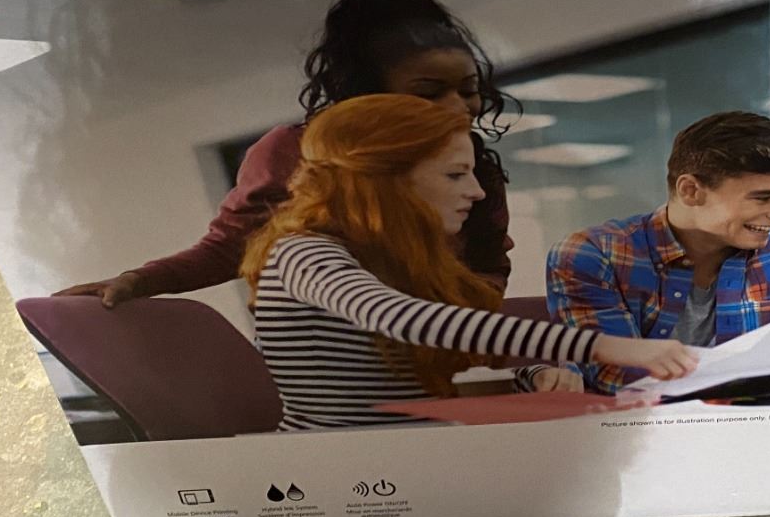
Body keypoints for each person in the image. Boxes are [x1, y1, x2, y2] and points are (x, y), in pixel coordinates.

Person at [244, 95, 696, 429]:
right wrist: (604, 346)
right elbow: (400, 319)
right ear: (383, 182)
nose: (477, 192)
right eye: (455, 174)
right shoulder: (302, 253)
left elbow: (427, 388)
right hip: (339, 475)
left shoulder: (394, 266)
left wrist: (530, 377)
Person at [57, 0, 515, 306]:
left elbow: (489, 267)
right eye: (428, 92)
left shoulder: (472, 167)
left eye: (468, 90)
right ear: (367, 93)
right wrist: (141, 281)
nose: (458, 109)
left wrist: (464, 320)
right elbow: (232, 247)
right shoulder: (293, 153)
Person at [546, 111, 770, 395]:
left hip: (764, 423)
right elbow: (618, 379)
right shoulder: (593, 256)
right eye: (764, 197)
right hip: (640, 425)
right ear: (690, 191)